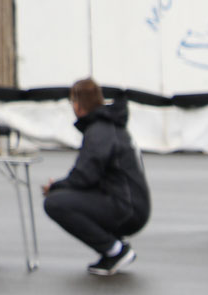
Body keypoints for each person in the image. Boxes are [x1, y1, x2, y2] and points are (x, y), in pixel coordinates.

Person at [42, 79, 152, 277]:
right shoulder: (108, 125)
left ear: (77, 105)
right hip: (131, 203)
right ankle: (113, 247)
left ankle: (115, 250)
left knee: (55, 203)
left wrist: (56, 187)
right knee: (67, 195)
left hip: (128, 208)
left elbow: (84, 176)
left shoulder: (99, 130)